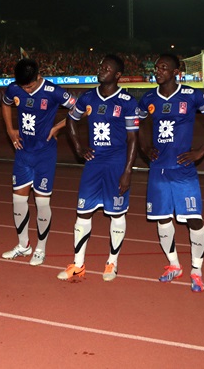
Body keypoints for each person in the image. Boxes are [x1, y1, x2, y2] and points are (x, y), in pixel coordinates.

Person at [137, 53, 204, 292]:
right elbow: (137, 122)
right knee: (162, 218)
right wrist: (144, 147)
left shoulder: (191, 95)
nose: (158, 71)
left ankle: (197, 270)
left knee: (194, 219)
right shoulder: (148, 98)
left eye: (163, 67)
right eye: (156, 67)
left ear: (176, 72)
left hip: (184, 170)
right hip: (158, 169)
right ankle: (174, 265)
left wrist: (201, 152)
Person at [58, 55, 139, 281]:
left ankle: (112, 262)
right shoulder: (87, 97)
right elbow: (71, 119)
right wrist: (78, 147)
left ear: (118, 75)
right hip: (93, 164)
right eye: (101, 66)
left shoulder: (127, 101)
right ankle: (78, 264)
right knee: (83, 212)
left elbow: (133, 138)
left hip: (116, 164)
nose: (101, 70)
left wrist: (128, 171)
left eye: (107, 68)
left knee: (117, 213)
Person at [1, 58, 76, 266]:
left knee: (42, 202)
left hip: (45, 154)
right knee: (18, 200)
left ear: (38, 76)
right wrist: (10, 130)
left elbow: (80, 109)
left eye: (30, 86)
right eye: (23, 87)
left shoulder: (53, 91)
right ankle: (23, 245)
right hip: (23, 152)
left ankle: (40, 248)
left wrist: (57, 127)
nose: (26, 90)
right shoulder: (14, 88)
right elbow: (5, 103)